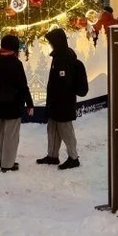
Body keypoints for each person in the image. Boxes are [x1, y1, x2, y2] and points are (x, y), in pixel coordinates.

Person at [37, 28, 88, 170]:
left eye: (51, 42)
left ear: (57, 42)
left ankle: (73, 158)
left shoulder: (66, 59)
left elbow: (64, 84)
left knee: (66, 130)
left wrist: (58, 98)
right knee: (52, 128)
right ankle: (52, 156)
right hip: (55, 103)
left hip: (64, 104)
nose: (50, 44)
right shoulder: (58, 56)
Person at [0, 34, 34, 173]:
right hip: (13, 105)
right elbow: (23, 86)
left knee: (1, 133)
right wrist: (30, 104)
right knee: (11, 136)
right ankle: (7, 163)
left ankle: (1, 159)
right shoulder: (16, 63)